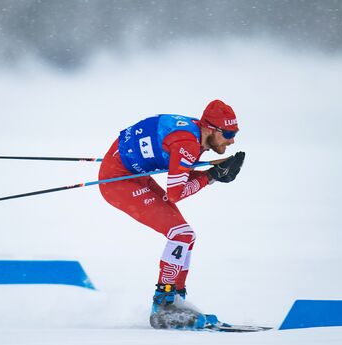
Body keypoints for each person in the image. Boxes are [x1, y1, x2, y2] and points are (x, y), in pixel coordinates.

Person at [98, 99, 245, 329]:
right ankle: (163, 305)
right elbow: (176, 193)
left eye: (235, 132)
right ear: (211, 129)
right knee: (180, 235)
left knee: (187, 235)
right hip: (118, 182)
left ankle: (175, 300)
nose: (232, 140)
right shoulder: (188, 144)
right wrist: (212, 176)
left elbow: (175, 154)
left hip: (133, 172)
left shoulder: (195, 134)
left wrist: (211, 170)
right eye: (228, 133)